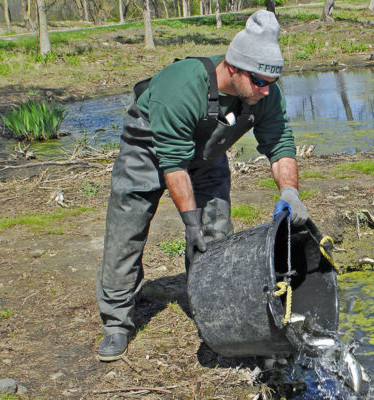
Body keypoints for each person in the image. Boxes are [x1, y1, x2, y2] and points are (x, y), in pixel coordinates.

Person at [95, 10, 308, 362]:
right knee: (127, 228)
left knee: (216, 233)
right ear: (234, 67)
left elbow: (280, 143)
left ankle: (210, 307)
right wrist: (189, 221)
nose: (265, 89)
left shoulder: (264, 93)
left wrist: (289, 191)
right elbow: (174, 164)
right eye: (258, 81)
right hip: (148, 144)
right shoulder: (182, 86)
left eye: (271, 81)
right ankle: (116, 320)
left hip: (207, 152)